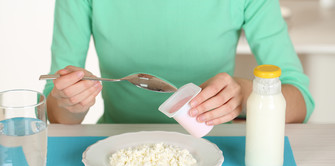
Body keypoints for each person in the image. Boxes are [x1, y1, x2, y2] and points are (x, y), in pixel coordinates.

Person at [44, 0, 314, 125]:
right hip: (113, 150)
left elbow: (300, 99)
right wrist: (71, 101)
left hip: (218, 151)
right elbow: (55, 114)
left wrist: (243, 96)